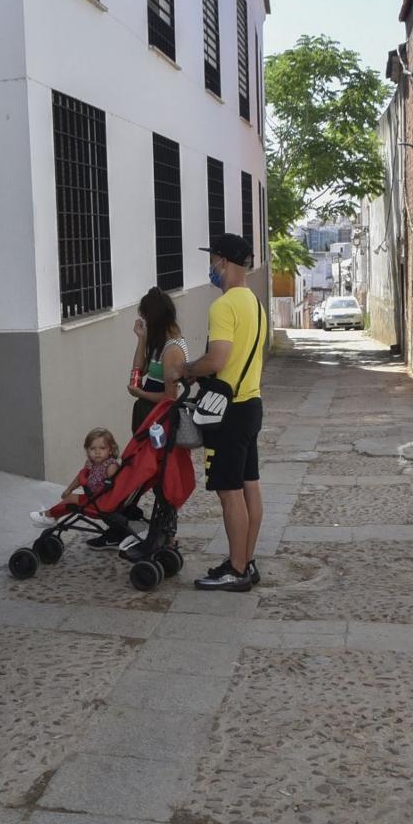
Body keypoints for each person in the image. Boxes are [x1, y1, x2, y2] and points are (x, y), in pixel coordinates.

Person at [167, 233, 268, 593]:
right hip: (251, 404)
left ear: (223, 261)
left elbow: (218, 359)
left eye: (213, 260)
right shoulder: (255, 304)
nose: (211, 266)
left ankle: (236, 569)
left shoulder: (223, 306)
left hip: (228, 411)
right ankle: (246, 560)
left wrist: (187, 369)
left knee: (229, 491)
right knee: (249, 485)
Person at [28, 428, 121, 527]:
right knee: (69, 498)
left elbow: (116, 488)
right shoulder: (90, 462)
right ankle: (51, 515)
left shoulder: (111, 466)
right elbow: (80, 477)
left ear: (111, 450)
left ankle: (48, 516)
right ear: (87, 450)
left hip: (101, 502)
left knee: (71, 499)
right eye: (93, 448)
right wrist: (69, 489)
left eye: (102, 448)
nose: (97, 452)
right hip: (92, 497)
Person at [129, 288, 189, 433]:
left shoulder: (173, 349)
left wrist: (140, 393)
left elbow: (170, 397)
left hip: (161, 418)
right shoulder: (160, 342)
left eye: (146, 320)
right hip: (149, 412)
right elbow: (140, 370)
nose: (145, 324)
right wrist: (142, 339)